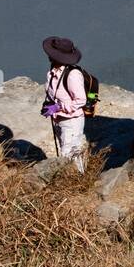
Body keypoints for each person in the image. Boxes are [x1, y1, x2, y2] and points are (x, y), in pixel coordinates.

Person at [42, 36, 88, 172]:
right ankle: (74, 182)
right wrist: (48, 105)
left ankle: (77, 183)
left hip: (72, 121)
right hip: (59, 119)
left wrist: (59, 107)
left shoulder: (72, 75)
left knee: (68, 154)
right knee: (66, 151)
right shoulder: (52, 72)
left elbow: (80, 100)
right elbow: (55, 93)